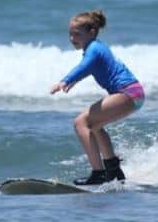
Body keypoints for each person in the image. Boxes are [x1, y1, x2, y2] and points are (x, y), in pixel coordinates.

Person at [50, 10, 145, 185]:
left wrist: (66, 80)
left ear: (91, 32)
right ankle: (113, 171)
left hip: (128, 92)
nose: (72, 39)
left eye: (77, 34)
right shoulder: (96, 47)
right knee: (94, 126)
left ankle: (98, 172)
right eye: (70, 34)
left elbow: (85, 66)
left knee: (80, 122)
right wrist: (73, 81)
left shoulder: (94, 48)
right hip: (134, 94)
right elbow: (89, 68)